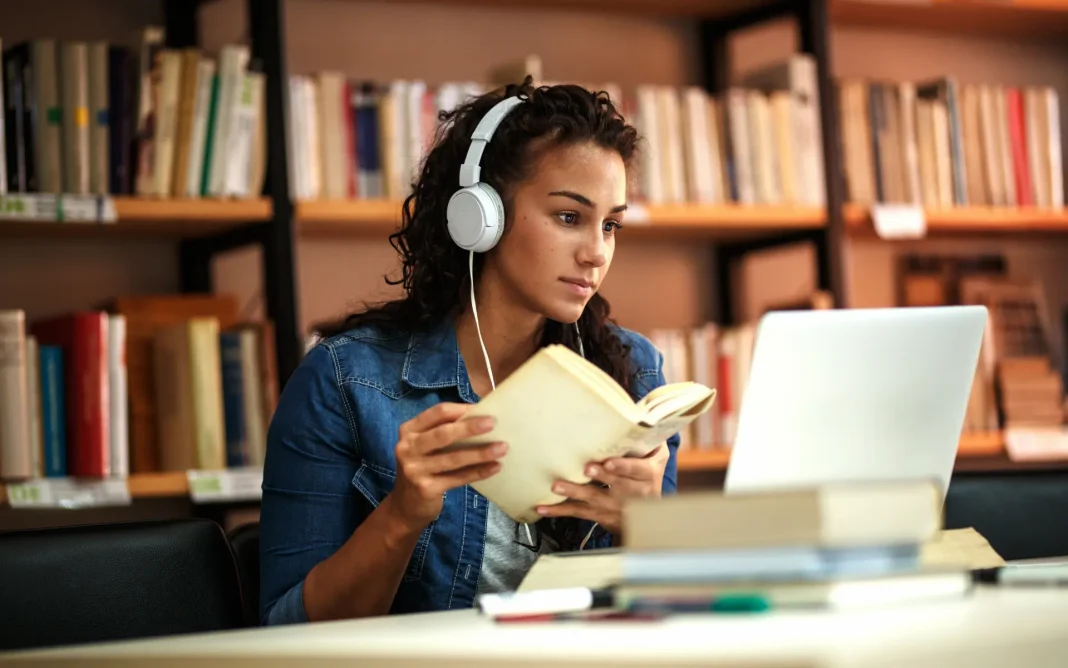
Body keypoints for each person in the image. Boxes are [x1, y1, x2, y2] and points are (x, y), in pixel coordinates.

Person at [259, 77, 681, 625]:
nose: (597, 253)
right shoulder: (344, 382)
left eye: (610, 224)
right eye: (569, 217)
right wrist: (403, 514)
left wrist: (647, 526)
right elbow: (287, 629)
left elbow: (667, 617)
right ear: (482, 217)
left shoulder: (635, 372)